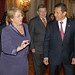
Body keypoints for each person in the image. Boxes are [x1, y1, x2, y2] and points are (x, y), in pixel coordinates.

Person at [43, 3, 75, 75]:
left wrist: (74, 56)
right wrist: (45, 56)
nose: (55, 14)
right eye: (55, 12)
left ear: (64, 13)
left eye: (57, 12)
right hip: (54, 58)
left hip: (69, 58)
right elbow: (46, 41)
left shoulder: (73, 24)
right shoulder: (50, 25)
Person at [0, 7, 30, 75]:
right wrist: (19, 47)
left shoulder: (25, 26)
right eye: (18, 16)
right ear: (11, 18)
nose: (21, 18)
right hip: (10, 63)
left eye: (21, 15)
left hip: (23, 61)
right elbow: (5, 48)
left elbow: (28, 40)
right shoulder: (6, 30)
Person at [29, 4, 51, 75]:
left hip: (47, 49)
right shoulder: (33, 21)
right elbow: (30, 35)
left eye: (44, 11)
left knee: (44, 67)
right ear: (38, 12)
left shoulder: (50, 20)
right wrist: (32, 47)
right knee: (37, 67)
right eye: (41, 11)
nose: (43, 13)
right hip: (37, 49)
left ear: (46, 12)